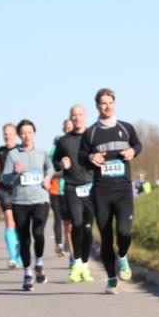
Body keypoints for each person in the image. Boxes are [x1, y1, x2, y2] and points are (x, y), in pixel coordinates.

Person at [80, 88, 143, 295]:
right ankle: (111, 278)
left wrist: (133, 151)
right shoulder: (91, 133)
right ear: (97, 106)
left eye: (110, 103)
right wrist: (91, 158)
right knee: (106, 237)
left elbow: (138, 144)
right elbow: (81, 156)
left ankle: (123, 257)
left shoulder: (126, 128)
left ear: (115, 104)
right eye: (103, 103)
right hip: (101, 191)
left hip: (123, 189)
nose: (107, 107)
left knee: (124, 232)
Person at [1, 119, 54, 291]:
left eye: (29, 132)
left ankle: (38, 262)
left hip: (40, 199)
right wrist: (15, 173)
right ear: (19, 135)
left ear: (35, 134)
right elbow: (4, 178)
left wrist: (47, 178)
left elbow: (50, 168)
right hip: (20, 202)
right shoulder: (13, 155)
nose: (26, 136)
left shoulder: (42, 153)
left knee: (38, 232)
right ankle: (28, 273)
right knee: (24, 240)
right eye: (23, 133)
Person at [54, 105, 96, 284]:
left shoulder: (94, 136)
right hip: (72, 188)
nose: (77, 118)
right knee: (77, 224)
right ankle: (76, 262)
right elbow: (55, 162)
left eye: (80, 114)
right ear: (70, 117)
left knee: (88, 229)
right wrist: (61, 164)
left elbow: (104, 157)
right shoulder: (63, 141)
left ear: (85, 116)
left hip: (91, 187)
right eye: (74, 115)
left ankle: (84, 266)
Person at [0, 123, 22, 269]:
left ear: (16, 135)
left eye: (10, 133)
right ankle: (12, 257)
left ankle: (21, 254)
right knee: (9, 221)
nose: (7, 136)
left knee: (21, 224)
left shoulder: (21, 150)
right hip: (5, 190)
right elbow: (3, 171)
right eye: (5, 134)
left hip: (19, 190)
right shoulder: (1, 150)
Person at [49, 119, 75, 256]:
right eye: (66, 129)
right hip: (56, 190)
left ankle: (68, 243)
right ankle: (59, 244)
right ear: (63, 129)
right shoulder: (57, 146)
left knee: (75, 221)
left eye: (71, 128)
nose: (69, 131)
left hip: (74, 188)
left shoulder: (80, 142)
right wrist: (62, 171)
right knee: (59, 218)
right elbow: (50, 168)